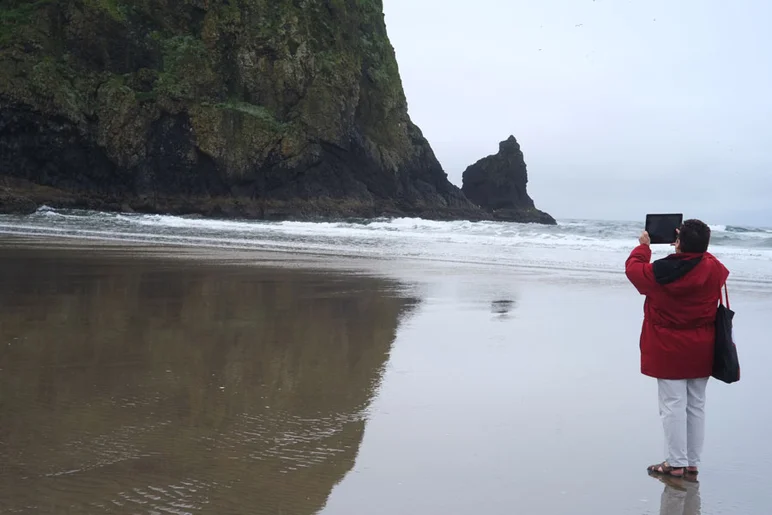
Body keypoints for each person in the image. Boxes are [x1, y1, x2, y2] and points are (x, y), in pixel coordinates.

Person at [625, 219, 729, 479]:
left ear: (679, 242)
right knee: (696, 404)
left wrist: (644, 248)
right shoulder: (713, 268)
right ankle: (691, 461)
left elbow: (633, 270)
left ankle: (676, 463)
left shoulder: (662, 271)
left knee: (672, 404)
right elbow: (705, 255)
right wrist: (688, 246)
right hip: (702, 345)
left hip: (668, 346)